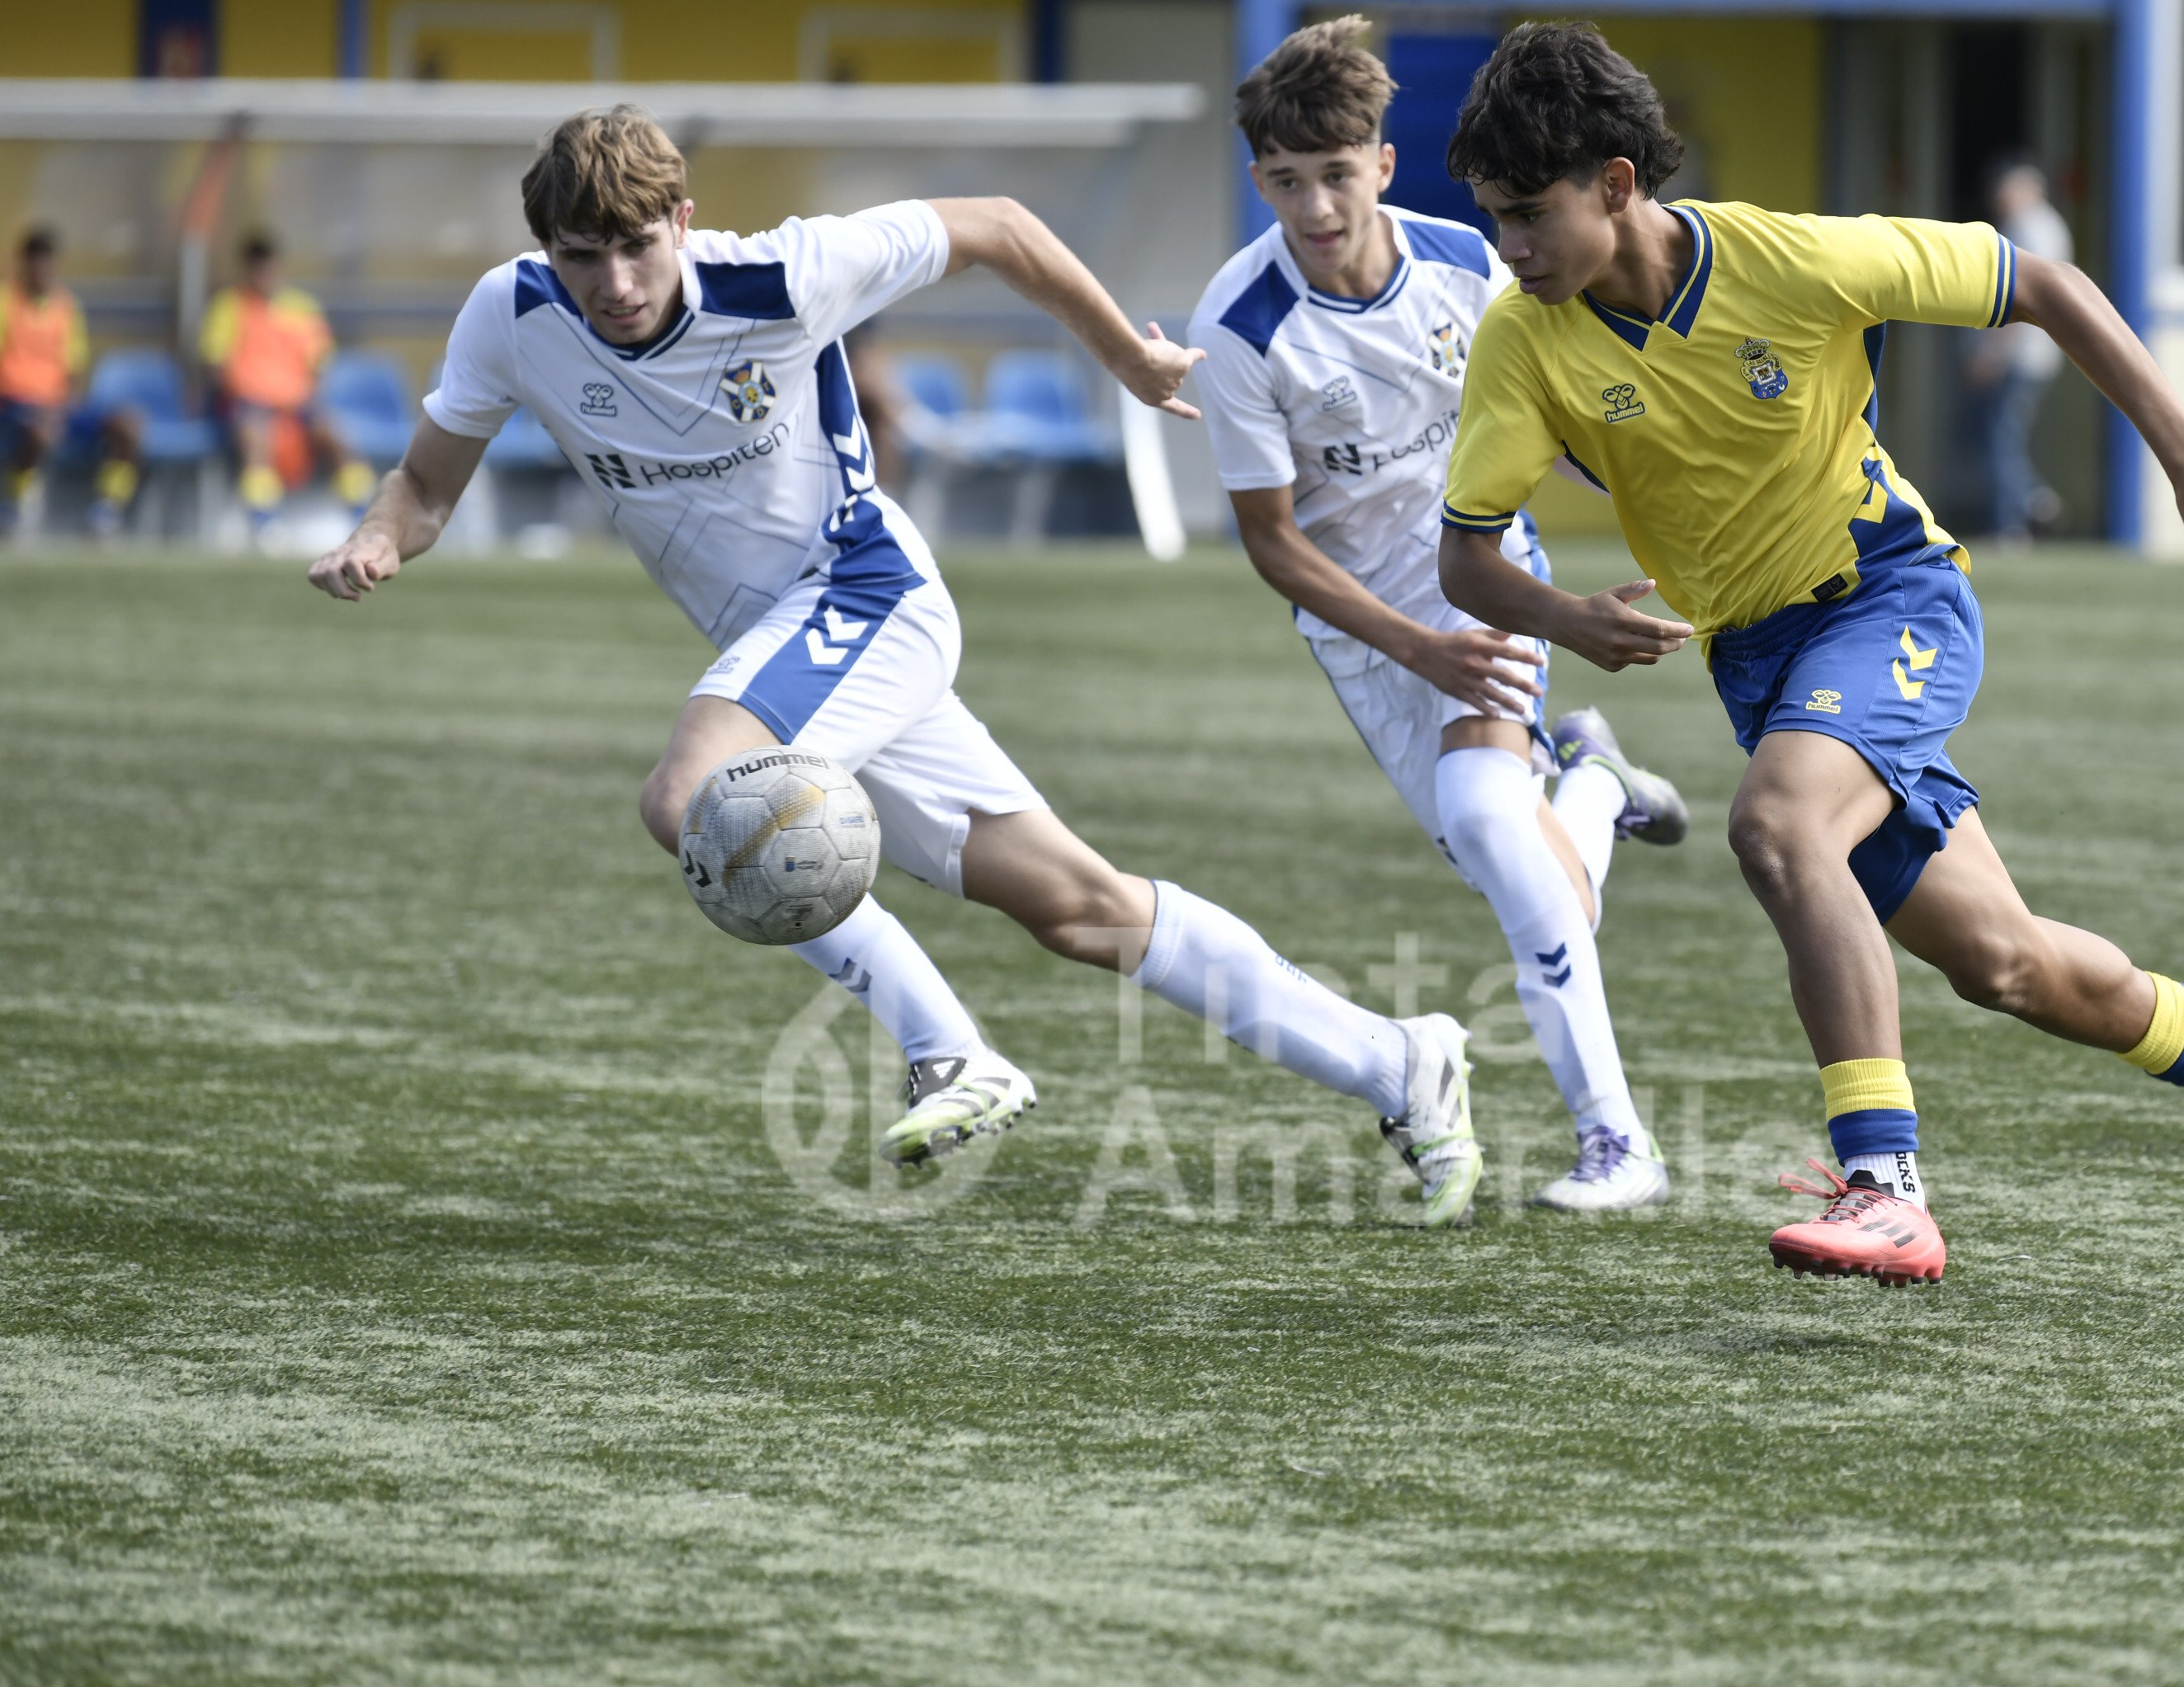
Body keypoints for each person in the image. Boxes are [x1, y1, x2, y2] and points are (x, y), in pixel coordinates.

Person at [304, 106, 1486, 1227]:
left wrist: (1127, 355)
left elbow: (999, 227)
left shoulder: (784, 273)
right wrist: (376, 535)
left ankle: (949, 1050)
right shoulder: (511, 314)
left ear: (684, 222)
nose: (612, 284)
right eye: (581, 256)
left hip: (866, 597)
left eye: (634, 248)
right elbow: (424, 486)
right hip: (794, 652)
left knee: (692, 798)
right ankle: (1401, 1062)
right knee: (1083, 910)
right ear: (544, 250)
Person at [1435, 23, 2184, 1284]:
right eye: (1492, 220)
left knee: (1780, 828)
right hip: (1761, 665)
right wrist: (1573, 618)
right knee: (2001, 963)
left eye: (1526, 216)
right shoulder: (1526, 338)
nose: (1508, 249)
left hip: (1892, 599)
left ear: (1617, 184)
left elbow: (2044, 287)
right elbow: (1466, 563)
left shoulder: (1795, 259)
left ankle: (1883, 1186)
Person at [1189, 18, 1686, 1213]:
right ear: (1259, 177)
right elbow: (1275, 543)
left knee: (1493, 831)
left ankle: (1617, 1142)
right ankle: (1602, 790)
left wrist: (1645, 503)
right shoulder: (1240, 326)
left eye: (1337, 175)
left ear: (1383, 165)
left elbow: (1561, 421)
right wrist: (1416, 647)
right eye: (1284, 181)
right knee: (1514, 864)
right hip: (1371, 632)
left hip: (1486, 571)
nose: (1313, 206)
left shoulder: (1469, 264)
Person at [202, 232, 373, 521]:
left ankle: (363, 514)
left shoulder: (302, 307)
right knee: (255, 438)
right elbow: (216, 364)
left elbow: (319, 364)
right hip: (248, 404)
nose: (263, 274)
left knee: (336, 435)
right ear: (246, 268)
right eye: (256, 267)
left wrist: (301, 401)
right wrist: (251, 399)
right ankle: (264, 521)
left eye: (268, 266)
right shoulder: (228, 306)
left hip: (297, 406)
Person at [0, 227, 138, 538]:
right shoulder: (6, 302)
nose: (43, 272)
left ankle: (107, 510)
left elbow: (74, 368)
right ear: (24, 265)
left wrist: (66, 404)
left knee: (128, 425)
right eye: (36, 263)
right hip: (14, 406)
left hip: (58, 406)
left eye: (48, 263)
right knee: (37, 429)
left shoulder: (66, 306)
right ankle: (15, 504)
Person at [1963, 161, 2072, 541]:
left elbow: (2017, 300)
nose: (1998, 198)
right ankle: (2031, 499)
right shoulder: (2048, 225)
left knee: (2000, 439)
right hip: (2034, 358)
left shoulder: (2028, 228)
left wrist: (1991, 355)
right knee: (2001, 437)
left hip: (2018, 359)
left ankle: (2015, 518)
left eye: (2005, 190)